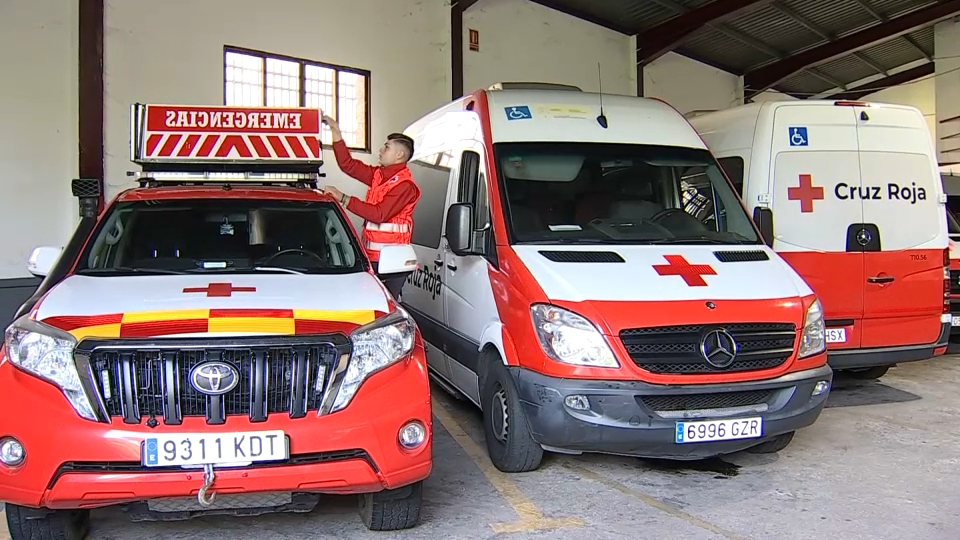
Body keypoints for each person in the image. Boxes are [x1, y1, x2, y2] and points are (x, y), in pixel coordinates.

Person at [319, 111, 421, 300]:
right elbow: (348, 165)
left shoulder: (405, 186)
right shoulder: (378, 176)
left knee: (384, 306)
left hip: (393, 262)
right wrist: (336, 132)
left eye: (386, 147)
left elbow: (379, 214)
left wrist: (343, 198)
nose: (380, 151)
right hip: (374, 257)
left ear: (399, 154)